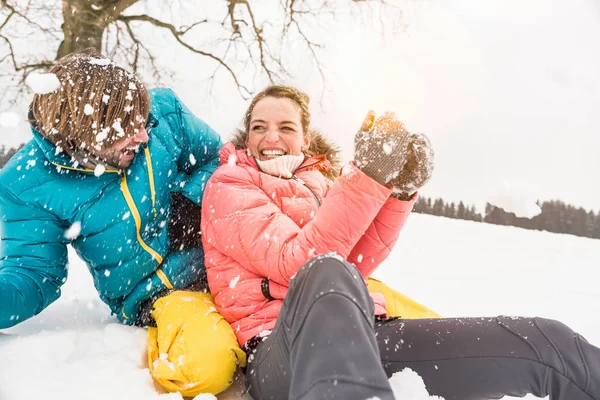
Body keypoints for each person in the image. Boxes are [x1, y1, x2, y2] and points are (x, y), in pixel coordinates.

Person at [201, 85, 600, 400]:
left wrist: (397, 193)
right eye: (259, 126)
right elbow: (299, 262)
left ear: (305, 139)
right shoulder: (229, 184)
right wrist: (366, 178)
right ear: (247, 135)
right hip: (279, 353)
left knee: (546, 344)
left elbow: (357, 259)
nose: (271, 136)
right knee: (325, 271)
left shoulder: (318, 185)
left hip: (364, 331)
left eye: (286, 127)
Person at [0, 52, 245, 397]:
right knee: (209, 366)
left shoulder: (164, 111)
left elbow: (220, 158)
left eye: (143, 121)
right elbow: (32, 274)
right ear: (85, 130)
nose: (144, 136)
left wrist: (192, 201)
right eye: (127, 128)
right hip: (164, 293)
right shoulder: (27, 184)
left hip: (231, 259)